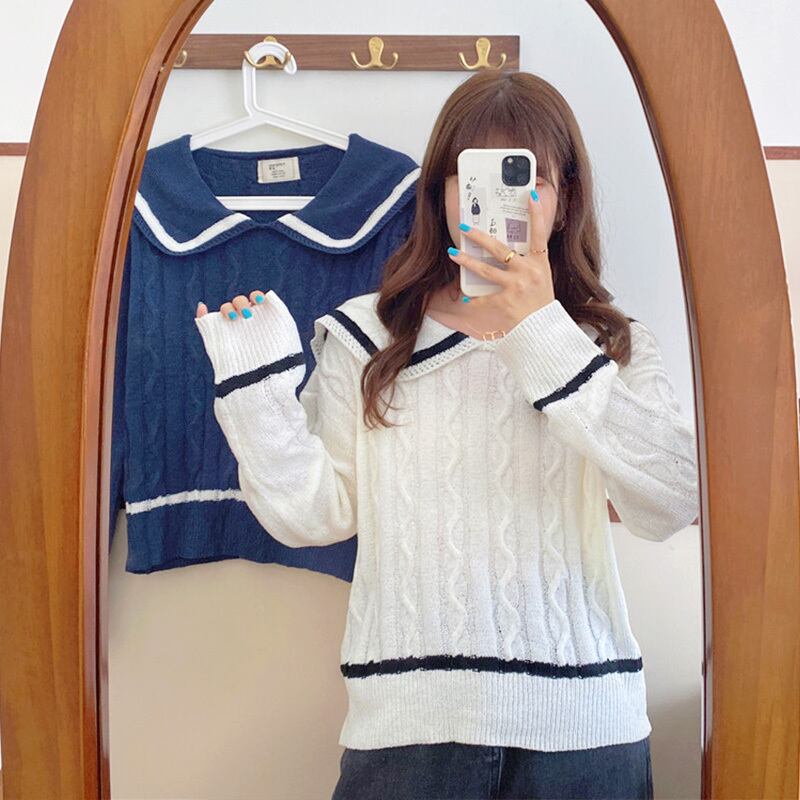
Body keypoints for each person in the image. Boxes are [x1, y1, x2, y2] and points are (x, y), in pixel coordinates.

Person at [193, 71, 698, 799]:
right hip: (408, 736)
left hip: (585, 730)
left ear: (564, 201)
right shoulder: (368, 336)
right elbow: (314, 517)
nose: (500, 199)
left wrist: (543, 332)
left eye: (528, 178)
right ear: (441, 194)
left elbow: (671, 501)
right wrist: (256, 395)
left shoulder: (607, 344)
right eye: (473, 176)